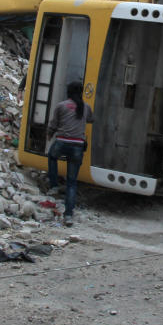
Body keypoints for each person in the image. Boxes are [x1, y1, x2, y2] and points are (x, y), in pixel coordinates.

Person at [47, 81, 93, 227]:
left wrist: (49, 135)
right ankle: (68, 216)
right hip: (77, 146)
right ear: (80, 92)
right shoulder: (85, 107)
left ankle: (54, 186)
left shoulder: (61, 106)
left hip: (62, 142)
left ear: (68, 92)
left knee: (52, 156)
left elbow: (53, 124)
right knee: (72, 183)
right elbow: (91, 119)